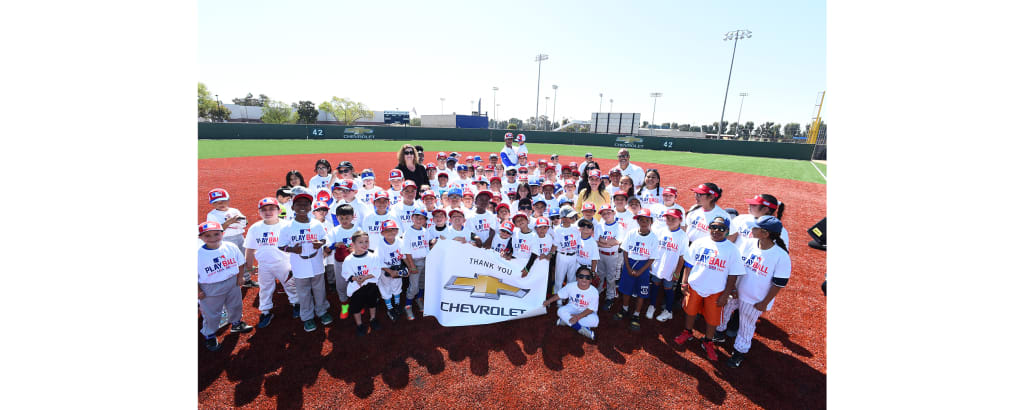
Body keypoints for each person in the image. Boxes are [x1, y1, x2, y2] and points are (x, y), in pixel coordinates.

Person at [713, 216, 791, 368]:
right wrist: (733, 287)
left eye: (755, 228)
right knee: (723, 311)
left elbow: (779, 284)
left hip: (754, 299)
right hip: (735, 291)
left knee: (746, 324)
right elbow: (736, 265)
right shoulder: (749, 243)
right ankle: (719, 334)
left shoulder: (781, 256)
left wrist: (765, 302)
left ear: (765, 233)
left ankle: (739, 352)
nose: (751, 230)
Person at [673, 216, 745, 362]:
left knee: (712, 319)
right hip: (695, 286)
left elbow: (733, 275)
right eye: (714, 227)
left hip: (716, 290)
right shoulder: (699, 243)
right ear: (709, 227)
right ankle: (688, 332)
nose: (717, 231)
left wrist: (726, 294)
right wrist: (684, 282)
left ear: (727, 231)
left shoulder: (732, 250)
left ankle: (708, 340)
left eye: (721, 228)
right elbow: (689, 264)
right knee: (690, 311)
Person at [278, 186, 333, 333]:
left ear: (310, 207)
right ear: (293, 206)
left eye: (306, 204)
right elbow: (281, 246)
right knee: (303, 292)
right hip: (299, 263)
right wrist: (292, 249)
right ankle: (307, 317)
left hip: (316, 262)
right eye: (299, 204)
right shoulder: (287, 227)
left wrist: (320, 243)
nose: (302, 207)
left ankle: (322, 311)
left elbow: (325, 239)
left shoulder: (316, 224)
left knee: (319, 289)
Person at [244, 197, 300, 328]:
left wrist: (296, 264)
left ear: (279, 210)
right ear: (259, 212)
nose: (268, 212)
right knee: (265, 288)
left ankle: (296, 304)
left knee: (290, 285)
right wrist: (249, 266)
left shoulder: (287, 225)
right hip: (264, 264)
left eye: (271, 209)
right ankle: (265, 311)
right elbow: (250, 248)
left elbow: (296, 245)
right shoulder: (255, 228)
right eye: (264, 210)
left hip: (284, 262)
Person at [198, 221, 254, 351]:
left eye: (216, 234)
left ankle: (236, 323)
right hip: (209, 287)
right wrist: (198, 290)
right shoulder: (197, 254)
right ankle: (209, 334)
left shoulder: (230, 246)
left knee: (235, 305)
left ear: (223, 233)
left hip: (231, 282)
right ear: (200, 237)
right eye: (207, 236)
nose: (212, 238)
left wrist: (240, 277)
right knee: (212, 313)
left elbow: (240, 263)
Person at [613, 208, 658, 332]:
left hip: (643, 267)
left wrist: (640, 271)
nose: (643, 222)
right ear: (637, 221)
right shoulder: (631, 233)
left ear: (651, 221)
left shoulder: (654, 237)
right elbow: (626, 251)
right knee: (626, 290)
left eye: (646, 220)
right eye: (641, 219)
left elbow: (652, 258)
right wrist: (627, 267)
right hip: (630, 264)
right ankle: (625, 308)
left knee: (641, 293)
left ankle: (637, 314)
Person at [206, 188, 256, 288]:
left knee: (243, 257)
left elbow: (244, 221)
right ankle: (230, 281)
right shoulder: (212, 215)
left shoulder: (234, 210)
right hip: (225, 240)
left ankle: (246, 279)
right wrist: (230, 222)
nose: (220, 203)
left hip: (239, 237)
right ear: (212, 204)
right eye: (216, 202)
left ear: (228, 200)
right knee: (230, 260)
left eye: (223, 200)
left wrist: (242, 221)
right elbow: (216, 231)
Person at [645, 208, 689, 322]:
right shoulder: (661, 231)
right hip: (657, 265)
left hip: (671, 268)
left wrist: (677, 272)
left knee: (668, 288)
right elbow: (653, 248)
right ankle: (652, 305)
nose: (670, 221)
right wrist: (650, 262)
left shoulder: (683, 236)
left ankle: (668, 311)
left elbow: (682, 256)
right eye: (668, 218)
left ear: (680, 220)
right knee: (655, 284)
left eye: (673, 219)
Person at [341, 231, 383, 336]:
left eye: (366, 241)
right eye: (361, 242)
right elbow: (345, 273)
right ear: (353, 244)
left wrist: (365, 277)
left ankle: (372, 319)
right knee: (356, 307)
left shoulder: (372, 256)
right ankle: (359, 324)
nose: (364, 244)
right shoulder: (349, 259)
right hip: (356, 288)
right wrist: (355, 278)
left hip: (370, 286)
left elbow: (376, 270)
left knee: (372, 303)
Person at [543, 266, 599, 341]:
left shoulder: (594, 292)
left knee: (595, 321)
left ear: (591, 280)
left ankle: (566, 321)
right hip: (573, 308)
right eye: (581, 276)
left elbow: (591, 309)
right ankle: (579, 328)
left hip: (586, 312)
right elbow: (559, 295)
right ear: (577, 278)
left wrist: (577, 317)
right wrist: (548, 301)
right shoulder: (571, 286)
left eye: (587, 277)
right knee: (560, 311)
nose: (584, 279)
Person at [325, 204, 359, 319]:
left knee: (357, 284)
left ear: (352, 217)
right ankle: (344, 305)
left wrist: (355, 248)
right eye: (341, 218)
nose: (344, 221)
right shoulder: (334, 231)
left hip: (356, 262)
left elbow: (364, 244)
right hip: (340, 262)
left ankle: (358, 304)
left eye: (347, 218)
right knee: (341, 284)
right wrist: (335, 245)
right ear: (337, 218)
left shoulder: (357, 229)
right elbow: (328, 248)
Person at [375, 219, 409, 321]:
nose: (390, 232)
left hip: (397, 267)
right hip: (385, 269)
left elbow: (403, 256)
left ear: (397, 231)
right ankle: (390, 308)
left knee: (397, 286)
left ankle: (397, 305)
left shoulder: (399, 241)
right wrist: (390, 272)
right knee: (386, 289)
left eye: (393, 229)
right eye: (387, 230)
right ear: (382, 233)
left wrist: (409, 268)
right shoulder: (380, 244)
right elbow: (378, 262)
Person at [595, 204, 625, 311]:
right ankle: (598, 291)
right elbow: (597, 242)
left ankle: (610, 296)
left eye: (608, 212)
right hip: (600, 254)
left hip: (612, 256)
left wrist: (605, 241)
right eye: (603, 213)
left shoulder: (619, 226)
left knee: (611, 277)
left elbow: (616, 242)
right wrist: (608, 243)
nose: (606, 215)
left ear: (613, 213)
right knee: (600, 275)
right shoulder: (599, 225)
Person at [401, 208, 430, 318]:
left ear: (425, 220)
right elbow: (407, 251)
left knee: (422, 283)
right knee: (414, 287)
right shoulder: (408, 232)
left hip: (425, 260)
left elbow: (426, 247)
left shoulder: (425, 231)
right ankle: (408, 306)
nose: (419, 219)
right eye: (417, 217)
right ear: (412, 218)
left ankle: (419, 299)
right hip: (414, 262)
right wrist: (412, 265)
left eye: (422, 218)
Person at [552, 207, 581, 302]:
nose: (573, 218)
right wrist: (549, 254)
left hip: (573, 255)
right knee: (559, 279)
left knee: (571, 279)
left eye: (574, 216)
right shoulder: (557, 230)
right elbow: (555, 245)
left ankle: (569, 298)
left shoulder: (576, 229)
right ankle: (558, 300)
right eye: (570, 216)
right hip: (562, 255)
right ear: (563, 218)